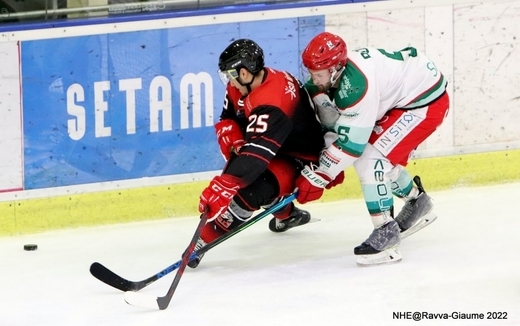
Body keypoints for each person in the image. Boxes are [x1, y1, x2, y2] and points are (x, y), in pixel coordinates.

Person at [295, 32, 449, 266]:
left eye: (318, 74)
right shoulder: (330, 81)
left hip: (424, 104)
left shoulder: (357, 87)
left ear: (336, 68)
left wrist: (322, 174)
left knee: (370, 157)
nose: (313, 79)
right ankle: (418, 202)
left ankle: (386, 233)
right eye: (311, 73)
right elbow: (334, 127)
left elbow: (351, 146)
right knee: (374, 154)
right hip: (401, 99)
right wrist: (326, 162)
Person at [189, 38, 328, 268]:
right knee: (250, 176)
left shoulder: (272, 100)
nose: (229, 83)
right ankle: (288, 215)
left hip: (300, 157)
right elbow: (229, 118)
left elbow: (254, 156)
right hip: (272, 146)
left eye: (231, 76)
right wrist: (233, 139)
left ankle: (203, 240)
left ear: (244, 73)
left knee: (251, 190)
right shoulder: (245, 84)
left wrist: (226, 184)